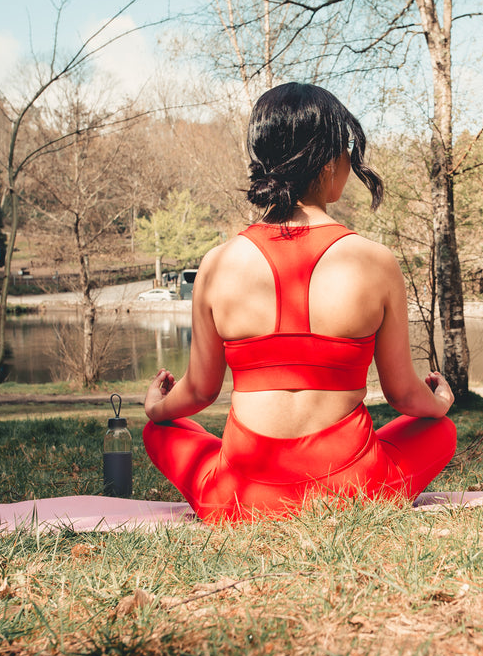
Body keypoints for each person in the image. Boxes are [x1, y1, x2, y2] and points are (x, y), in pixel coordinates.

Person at [143, 82, 456, 522]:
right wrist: (439, 403)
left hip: (239, 499)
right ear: (329, 161)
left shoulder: (217, 264)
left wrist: (157, 409)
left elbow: (199, 391)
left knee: (161, 433)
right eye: (347, 148)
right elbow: (404, 395)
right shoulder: (375, 261)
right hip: (355, 491)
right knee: (439, 431)